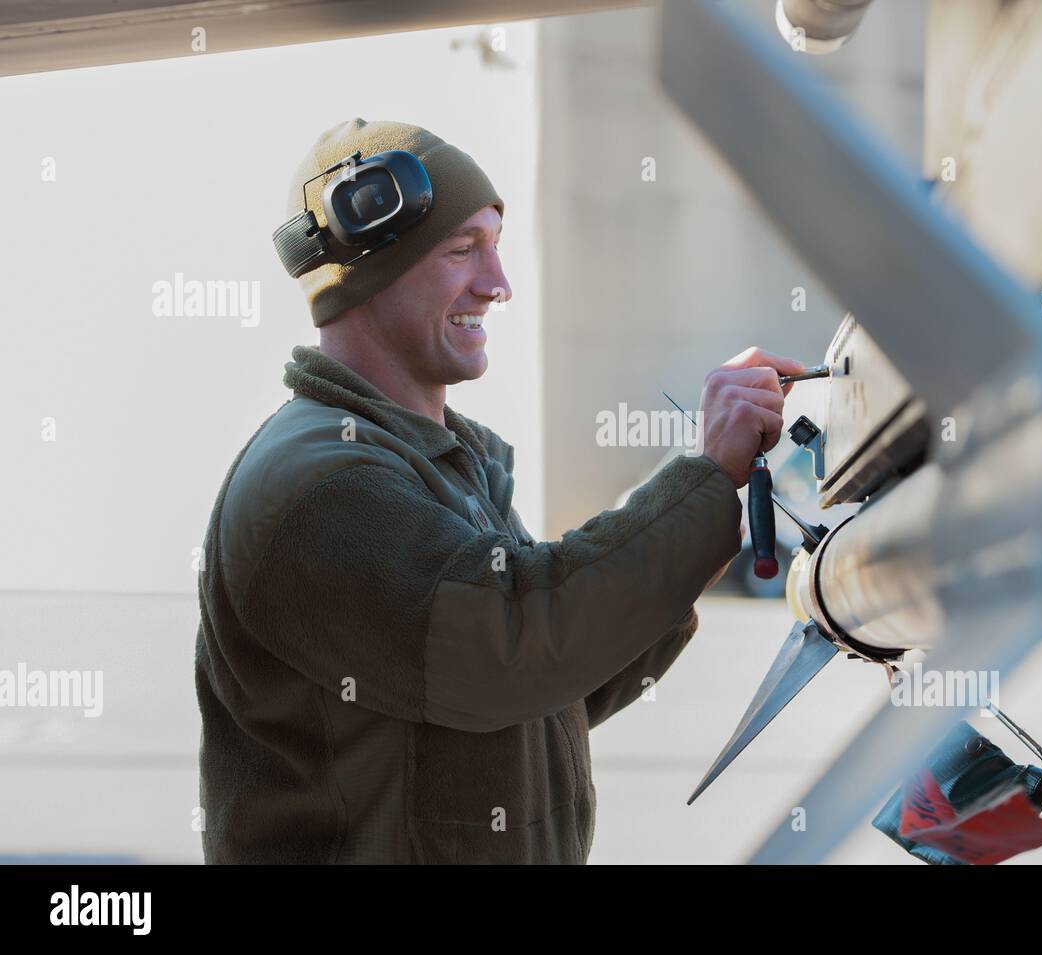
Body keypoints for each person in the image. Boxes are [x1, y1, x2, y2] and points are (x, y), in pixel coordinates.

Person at [194, 118, 803, 863]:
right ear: (365, 278)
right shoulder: (320, 485)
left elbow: (555, 685)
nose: (498, 284)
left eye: (496, 246)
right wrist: (704, 481)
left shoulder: (443, 465)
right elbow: (513, 644)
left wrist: (711, 507)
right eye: (460, 251)